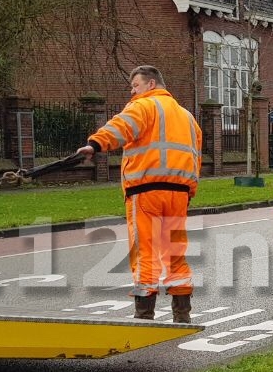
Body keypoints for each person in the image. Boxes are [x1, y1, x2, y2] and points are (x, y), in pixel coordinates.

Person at [76, 65, 203, 323]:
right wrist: (190, 189)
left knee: (144, 250)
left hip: (145, 190)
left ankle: (144, 314)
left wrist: (95, 144)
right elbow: (195, 156)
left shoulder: (144, 105)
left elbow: (121, 126)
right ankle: (182, 314)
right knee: (175, 252)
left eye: (135, 85)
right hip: (178, 194)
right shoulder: (187, 117)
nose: (132, 91)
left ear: (151, 84)